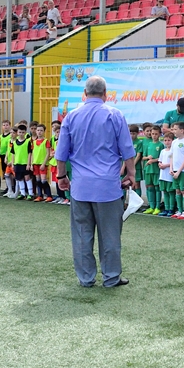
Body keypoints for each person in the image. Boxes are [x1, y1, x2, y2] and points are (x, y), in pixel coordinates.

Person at [54, 75, 136, 288]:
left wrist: (62, 176)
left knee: (82, 234)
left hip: (80, 187)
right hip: (108, 187)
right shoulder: (115, 115)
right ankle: (111, 277)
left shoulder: (71, 117)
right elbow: (127, 150)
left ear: (85, 93)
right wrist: (131, 174)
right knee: (110, 236)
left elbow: (61, 154)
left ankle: (86, 278)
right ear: (105, 94)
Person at [169, 121, 184, 219]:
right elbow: (172, 156)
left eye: (175, 129)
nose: (173, 131)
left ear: (182, 130)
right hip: (174, 170)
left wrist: (179, 171)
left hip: (183, 171)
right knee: (177, 190)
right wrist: (171, 168)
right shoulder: (174, 142)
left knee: (183, 190)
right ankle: (179, 210)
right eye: (173, 129)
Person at [142, 125, 164, 215]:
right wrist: (148, 157)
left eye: (156, 134)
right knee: (149, 188)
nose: (154, 135)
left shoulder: (161, 145)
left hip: (156, 170)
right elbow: (143, 157)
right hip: (148, 170)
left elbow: (162, 158)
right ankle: (151, 206)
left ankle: (157, 207)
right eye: (152, 134)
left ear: (159, 134)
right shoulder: (149, 144)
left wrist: (153, 160)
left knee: (157, 188)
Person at [10, 124, 34, 200]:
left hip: (25, 163)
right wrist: (13, 163)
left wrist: (28, 164)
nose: (21, 134)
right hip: (17, 163)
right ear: (17, 132)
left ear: (25, 133)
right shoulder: (14, 142)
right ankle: (22, 194)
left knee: (27, 178)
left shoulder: (28, 142)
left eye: (23, 132)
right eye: (20, 132)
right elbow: (13, 153)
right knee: (19, 178)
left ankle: (30, 194)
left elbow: (30, 153)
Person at [32, 124, 52, 201]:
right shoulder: (34, 142)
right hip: (35, 163)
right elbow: (33, 153)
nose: (39, 132)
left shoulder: (46, 141)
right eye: (38, 130)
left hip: (42, 163)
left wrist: (44, 163)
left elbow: (48, 153)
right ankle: (40, 195)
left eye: (41, 130)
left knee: (44, 180)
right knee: (38, 180)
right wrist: (31, 164)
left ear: (44, 132)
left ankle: (49, 195)